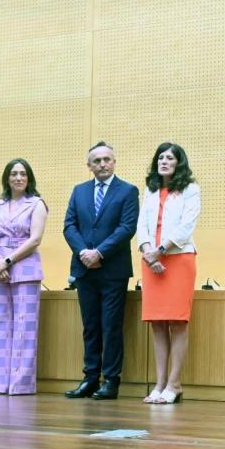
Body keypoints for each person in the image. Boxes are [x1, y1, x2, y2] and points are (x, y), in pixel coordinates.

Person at [63, 141, 139, 400]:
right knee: (90, 326)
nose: (102, 164)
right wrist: (84, 252)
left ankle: (112, 380)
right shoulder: (79, 191)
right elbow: (69, 225)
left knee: (111, 326)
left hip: (112, 270)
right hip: (84, 269)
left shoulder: (128, 191)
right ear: (89, 166)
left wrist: (99, 252)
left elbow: (127, 228)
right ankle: (90, 378)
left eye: (107, 159)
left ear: (114, 162)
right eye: (97, 161)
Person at [137, 143, 200, 405]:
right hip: (151, 261)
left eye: (170, 158)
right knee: (157, 323)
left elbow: (187, 226)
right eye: (160, 157)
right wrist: (148, 253)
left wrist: (160, 250)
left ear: (178, 163)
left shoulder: (190, 189)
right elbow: (142, 225)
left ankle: (174, 384)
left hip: (178, 258)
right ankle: (159, 383)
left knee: (177, 321)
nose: (164, 161)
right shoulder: (150, 190)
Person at [0, 159, 48, 395]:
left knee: (25, 328)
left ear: (29, 178)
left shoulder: (36, 203)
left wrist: (8, 260)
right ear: (7, 178)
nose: (18, 178)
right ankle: (0, 384)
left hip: (25, 268)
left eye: (22, 174)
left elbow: (35, 239)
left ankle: (20, 385)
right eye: (13, 174)